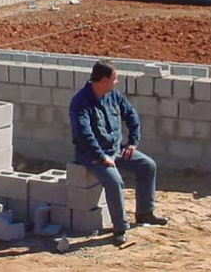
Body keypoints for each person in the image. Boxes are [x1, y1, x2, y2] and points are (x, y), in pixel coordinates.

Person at [69, 60, 169, 246]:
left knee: (147, 166)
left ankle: (145, 213)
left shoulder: (112, 95)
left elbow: (131, 115)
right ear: (104, 80)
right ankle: (120, 228)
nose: (117, 82)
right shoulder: (80, 102)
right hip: (92, 156)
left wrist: (132, 142)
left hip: (116, 149)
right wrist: (101, 157)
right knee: (114, 181)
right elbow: (84, 135)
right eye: (115, 79)